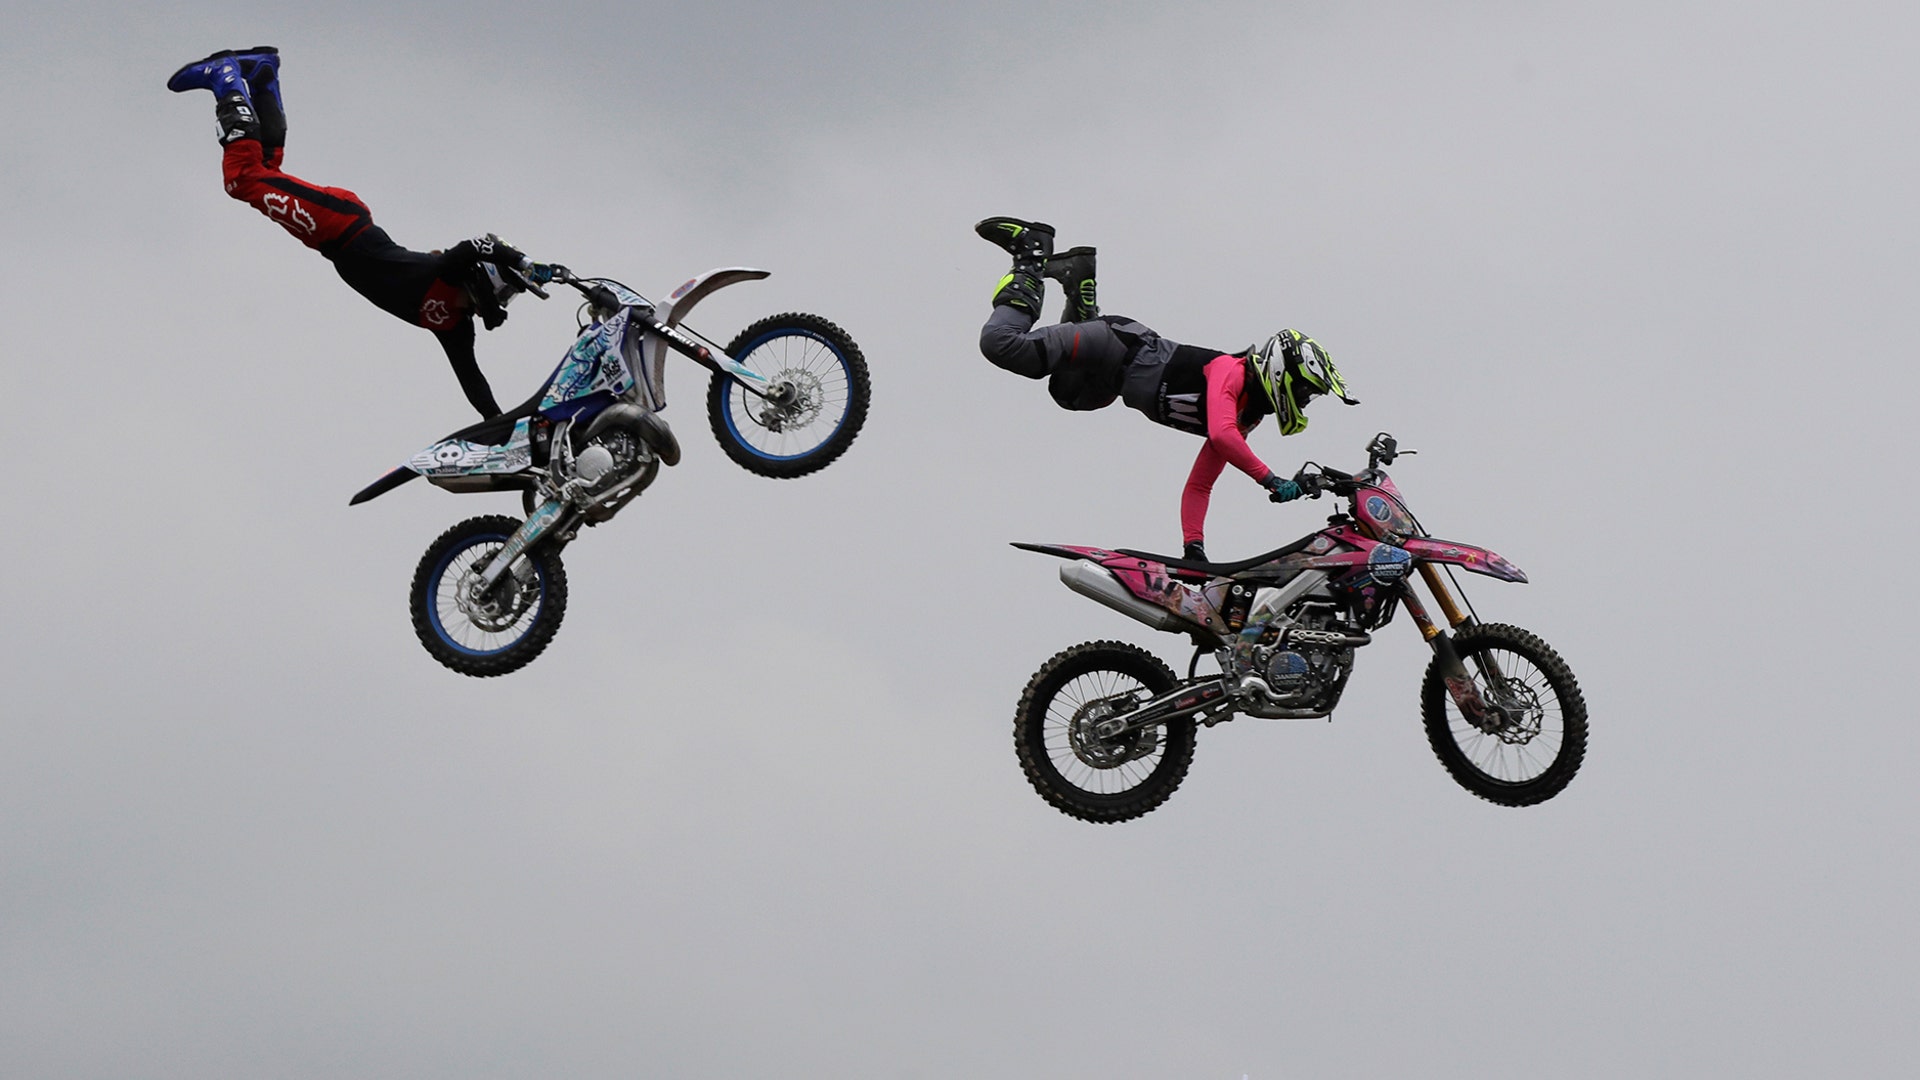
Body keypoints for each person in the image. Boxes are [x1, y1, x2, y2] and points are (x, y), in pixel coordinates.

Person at [167, 47, 557, 419]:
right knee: (243, 178)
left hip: (330, 237)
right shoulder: (450, 270)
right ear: (483, 280)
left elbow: (472, 379)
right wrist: (524, 262)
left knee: (265, 169)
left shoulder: (454, 326)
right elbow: (481, 243)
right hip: (340, 223)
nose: (500, 300)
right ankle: (225, 76)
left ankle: (264, 74)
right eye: (503, 291)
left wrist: (503, 425)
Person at [974, 216, 1358, 563]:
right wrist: (1269, 479)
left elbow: (1200, 484)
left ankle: (1080, 286)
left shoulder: (1247, 416)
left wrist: (1194, 549)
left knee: (1068, 395)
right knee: (1003, 345)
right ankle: (1031, 252)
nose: (1304, 401)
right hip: (1114, 345)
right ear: (1283, 372)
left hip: (1110, 383)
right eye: (1306, 391)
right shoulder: (1231, 371)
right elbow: (1223, 438)